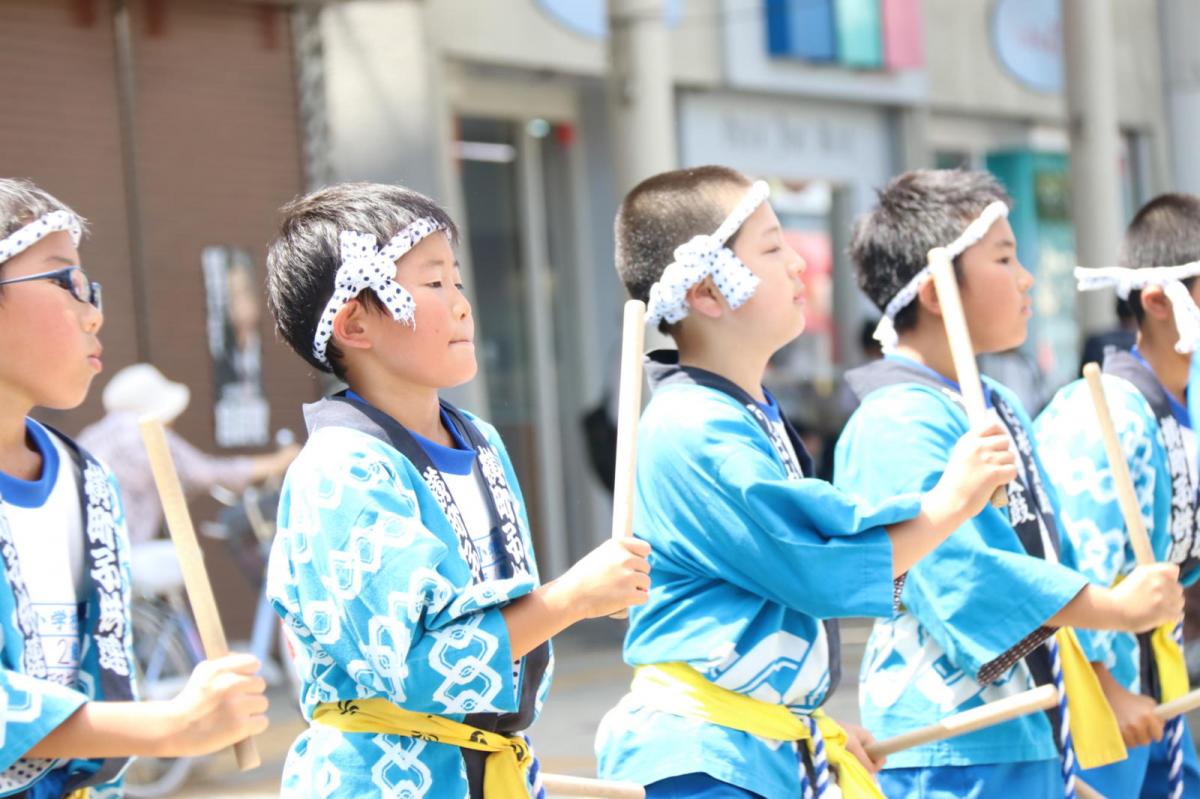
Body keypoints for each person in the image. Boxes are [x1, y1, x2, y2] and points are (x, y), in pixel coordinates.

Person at [593, 165, 1019, 798]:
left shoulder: (738, 412)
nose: (797, 264)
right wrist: (951, 501)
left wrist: (811, 723)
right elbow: (816, 567)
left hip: (747, 745)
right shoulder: (695, 427)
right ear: (709, 290)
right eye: (771, 247)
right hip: (702, 756)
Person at [262, 181, 652, 798]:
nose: (463, 305)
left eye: (458, 282)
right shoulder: (341, 469)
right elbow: (418, 665)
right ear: (355, 323)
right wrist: (573, 598)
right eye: (434, 283)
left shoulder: (483, 442)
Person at [834, 168, 1184, 798]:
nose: (1026, 279)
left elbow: (1051, 554)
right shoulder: (894, 420)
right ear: (938, 289)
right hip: (945, 738)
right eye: (1005, 258)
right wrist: (1113, 607)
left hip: (1023, 726)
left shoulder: (994, 402)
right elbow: (960, 575)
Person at [0, 177, 267, 797]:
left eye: (90, 287)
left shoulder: (86, 479)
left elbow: (97, 680)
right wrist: (166, 727)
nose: (94, 311)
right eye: (63, 281)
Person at [1035, 193, 1200, 797]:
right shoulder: (1104, 416)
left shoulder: (1184, 408)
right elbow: (1068, 570)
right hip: (1101, 700)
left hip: (1158, 682)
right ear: (1159, 300)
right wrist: (1108, 687)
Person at [77, 363, 297, 546]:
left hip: (89, 547)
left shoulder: (93, 434)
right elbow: (207, 473)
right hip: (125, 549)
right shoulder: (145, 432)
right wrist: (279, 462)